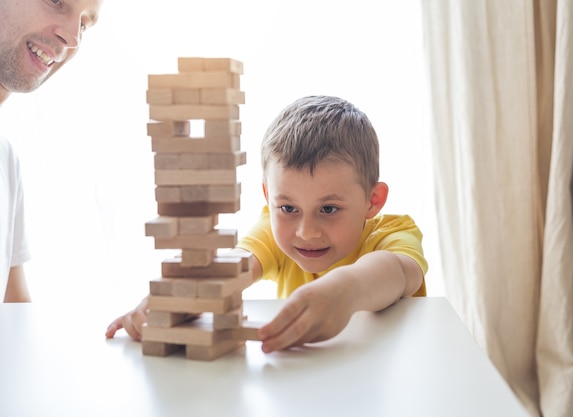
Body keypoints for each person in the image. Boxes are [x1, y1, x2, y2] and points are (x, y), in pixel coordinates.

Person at [106, 95, 428, 353]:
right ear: (267, 196)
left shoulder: (393, 234)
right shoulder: (274, 232)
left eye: (329, 209)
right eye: (288, 207)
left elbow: (396, 271)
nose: (306, 232)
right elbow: (233, 266)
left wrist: (345, 291)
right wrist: (176, 297)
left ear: (373, 200)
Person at [0, 0, 103, 302]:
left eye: (84, 24)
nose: (73, 37)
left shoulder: (6, 162)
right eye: (56, 1)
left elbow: (14, 320)